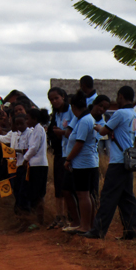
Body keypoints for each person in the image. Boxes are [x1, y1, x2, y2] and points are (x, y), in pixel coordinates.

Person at [84, 85, 136, 240]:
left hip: (118, 161)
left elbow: (103, 131)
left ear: (121, 96)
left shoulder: (120, 113)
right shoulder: (134, 114)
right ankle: (131, 231)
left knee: (108, 196)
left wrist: (94, 125)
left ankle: (98, 230)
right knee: (126, 198)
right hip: (128, 161)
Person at [64, 91, 98, 235]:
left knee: (83, 194)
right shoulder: (86, 118)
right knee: (86, 194)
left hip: (83, 163)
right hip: (86, 162)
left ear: (73, 106)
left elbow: (79, 143)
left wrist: (68, 159)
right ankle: (89, 224)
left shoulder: (84, 120)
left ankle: (85, 226)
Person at [47, 86, 72, 228]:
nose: (54, 101)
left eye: (56, 98)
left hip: (69, 153)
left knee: (67, 187)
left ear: (63, 96)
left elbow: (74, 131)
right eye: (51, 100)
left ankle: (70, 217)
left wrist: (61, 133)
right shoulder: (56, 114)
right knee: (59, 185)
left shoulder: (71, 111)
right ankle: (59, 216)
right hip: (59, 152)